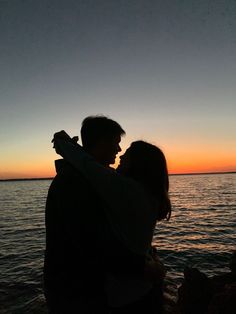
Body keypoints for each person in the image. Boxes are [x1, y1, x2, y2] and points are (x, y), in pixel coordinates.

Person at [53, 131, 171, 313]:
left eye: (128, 153)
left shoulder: (127, 191)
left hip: (128, 297)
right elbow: (98, 169)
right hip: (144, 287)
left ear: (139, 164)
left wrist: (63, 143)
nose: (121, 154)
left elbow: (89, 166)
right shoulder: (148, 193)